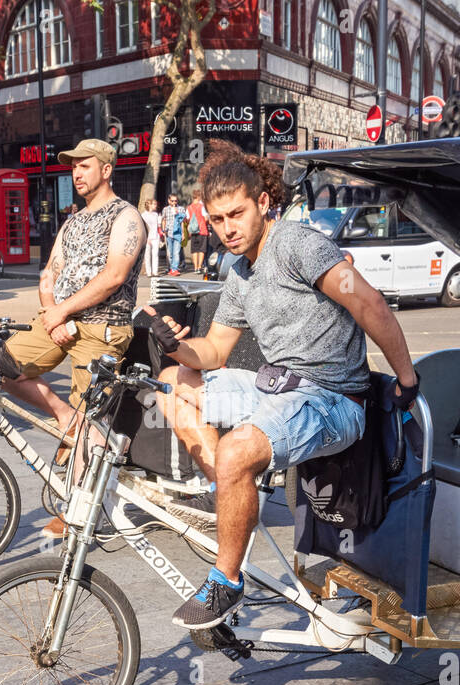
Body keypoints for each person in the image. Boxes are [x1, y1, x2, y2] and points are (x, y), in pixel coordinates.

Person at [147, 140, 419, 630]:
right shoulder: (240, 272)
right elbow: (212, 352)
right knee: (173, 383)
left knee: (236, 450)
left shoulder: (295, 244)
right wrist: (173, 346)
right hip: (278, 388)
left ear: (263, 203)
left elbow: (370, 304)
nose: (227, 229)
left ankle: (226, 584)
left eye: (236, 214)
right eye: (218, 220)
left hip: (332, 400)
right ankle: (230, 490)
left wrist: (406, 378)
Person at [0, 138, 146, 538]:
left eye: (85, 165)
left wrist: (64, 310)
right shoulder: (72, 221)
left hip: (102, 327)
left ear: (106, 169)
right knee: (2, 365)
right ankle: (64, 417)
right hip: (59, 322)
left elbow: (115, 275)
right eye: (73, 167)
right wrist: (52, 310)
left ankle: (77, 513)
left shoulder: (126, 217)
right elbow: (49, 272)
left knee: (90, 419)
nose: (77, 173)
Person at [161, 193, 185, 275]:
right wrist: (163, 230)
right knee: (170, 253)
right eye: (172, 201)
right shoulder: (165, 209)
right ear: (169, 201)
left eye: (176, 201)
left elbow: (182, 222)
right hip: (169, 233)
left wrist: (183, 234)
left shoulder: (181, 209)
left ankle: (174, 269)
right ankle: (171, 268)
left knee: (176, 252)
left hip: (178, 233)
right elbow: (164, 220)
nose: (174, 202)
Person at [187, 191, 210, 274]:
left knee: (194, 250)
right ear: (198, 197)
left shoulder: (189, 207)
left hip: (193, 231)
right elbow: (206, 218)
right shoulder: (201, 207)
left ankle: (195, 267)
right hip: (202, 230)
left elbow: (188, 218)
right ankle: (199, 267)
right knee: (201, 250)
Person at [141, 198, 161, 277]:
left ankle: (155, 271)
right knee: (147, 255)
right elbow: (144, 227)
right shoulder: (144, 215)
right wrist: (146, 238)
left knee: (155, 254)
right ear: (149, 204)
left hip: (155, 236)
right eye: (154, 204)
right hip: (148, 237)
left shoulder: (156, 214)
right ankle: (149, 272)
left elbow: (157, 226)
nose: (156, 206)